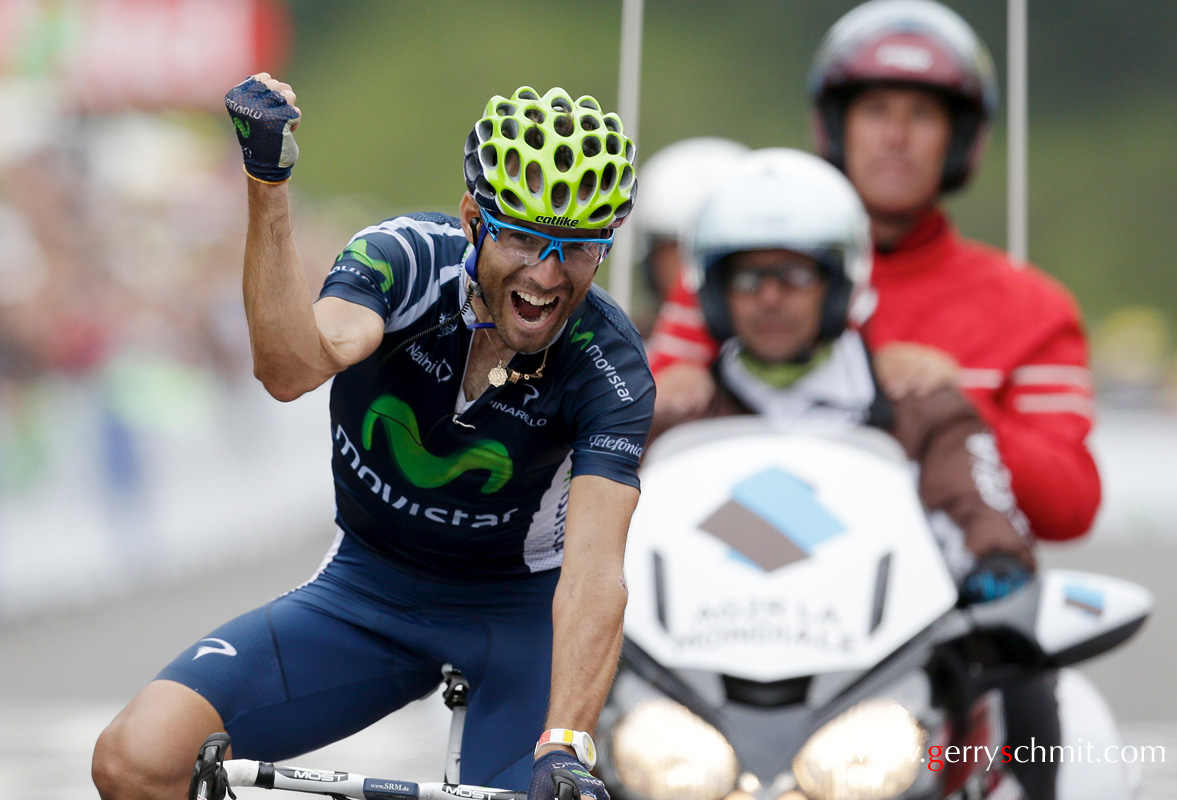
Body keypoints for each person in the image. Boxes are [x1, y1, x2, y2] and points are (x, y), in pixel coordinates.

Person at [91, 75, 654, 800]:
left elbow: (594, 573)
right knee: (135, 759)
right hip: (368, 591)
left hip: (519, 617)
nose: (545, 275)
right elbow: (291, 368)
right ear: (472, 218)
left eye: (576, 247)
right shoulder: (405, 260)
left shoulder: (609, 364)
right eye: (521, 234)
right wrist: (269, 185)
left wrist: (568, 744)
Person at [647, 0, 1101, 545]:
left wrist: (952, 403)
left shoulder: (1033, 307)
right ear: (838, 126)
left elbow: (1070, 508)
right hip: (732, 596)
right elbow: (626, 442)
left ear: (959, 140)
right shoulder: (729, 273)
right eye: (876, 110)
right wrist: (667, 393)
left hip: (941, 615)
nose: (896, 136)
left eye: (923, 115)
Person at [650, 147, 1035, 605]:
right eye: (749, 278)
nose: (770, 298)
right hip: (694, 668)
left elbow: (985, 527)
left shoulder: (922, 409)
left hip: (885, 671)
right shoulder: (672, 417)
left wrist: (996, 569)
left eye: (793, 274)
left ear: (839, 283)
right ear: (714, 292)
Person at [630, 137, 749, 329]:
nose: (697, 276)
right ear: (650, 261)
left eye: (721, 257)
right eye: (682, 251)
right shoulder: (614, 350)